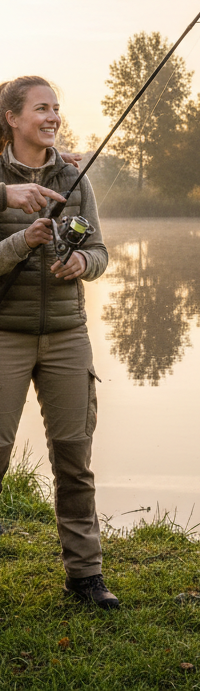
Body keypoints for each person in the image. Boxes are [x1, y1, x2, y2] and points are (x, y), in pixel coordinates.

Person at [0, 75, 119, 609]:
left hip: (69, 338)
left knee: (75, 458)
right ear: (13, 118)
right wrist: (22, 240)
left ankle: (86, 576)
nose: (51, 117)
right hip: (5, 336)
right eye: (40, 108)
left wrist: (82, 263)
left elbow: (99, 251)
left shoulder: (74, 174)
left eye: (56, 109)